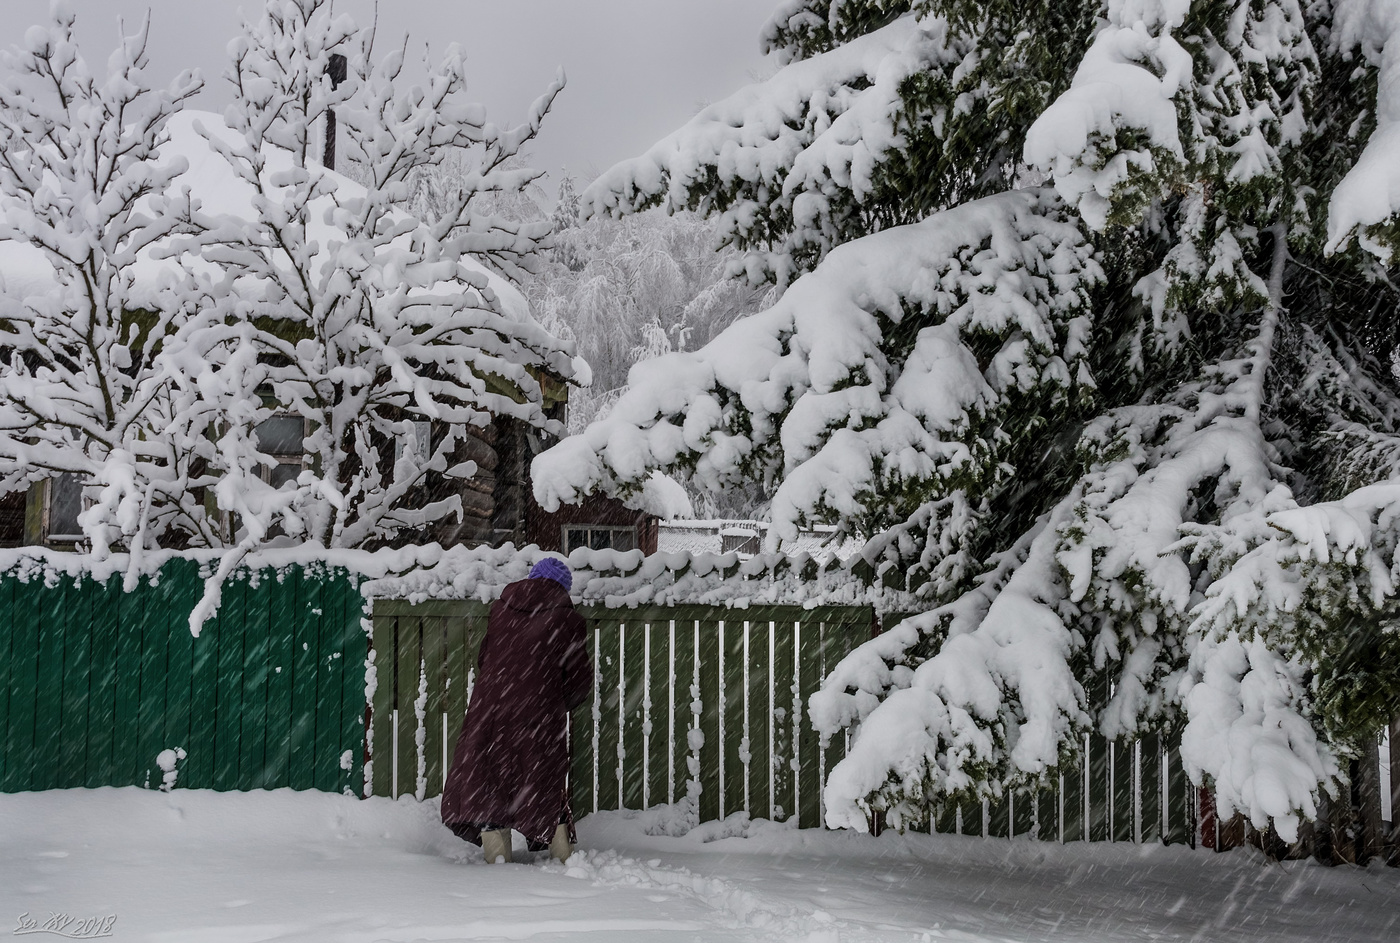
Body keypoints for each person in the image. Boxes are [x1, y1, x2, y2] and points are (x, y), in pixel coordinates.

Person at [440, 556, 591, 863]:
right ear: (563, 588)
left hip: (491, 711)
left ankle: (498, 860)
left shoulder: (500, 610)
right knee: (542, 779)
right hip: (538, 716)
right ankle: (564, 859)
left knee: (491, 780)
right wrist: (556, 700)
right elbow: (577, 683)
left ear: (532, 579)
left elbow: (485, 659)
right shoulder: (569, 620)